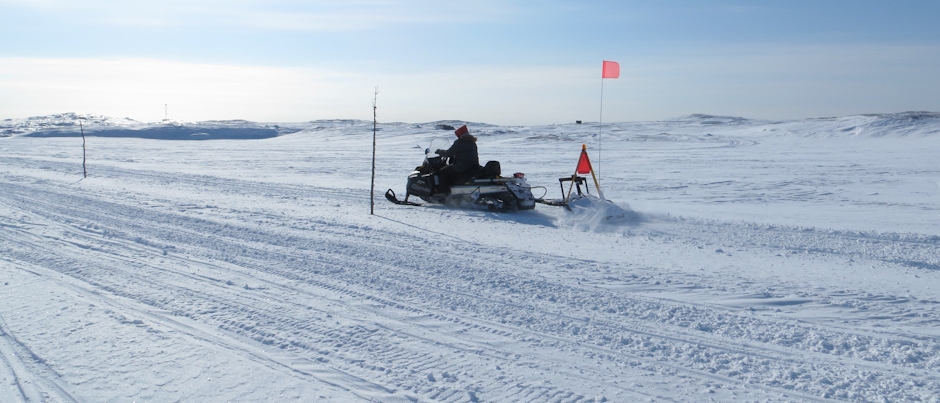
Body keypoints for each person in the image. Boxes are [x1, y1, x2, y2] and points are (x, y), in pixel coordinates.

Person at [434, 124, 479, 193]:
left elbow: (448, 153)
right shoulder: (472, 142)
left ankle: (443, 192)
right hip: (473, 166)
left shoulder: (459, 142)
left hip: (462, 166)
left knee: (443, 172)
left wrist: (439, 151)